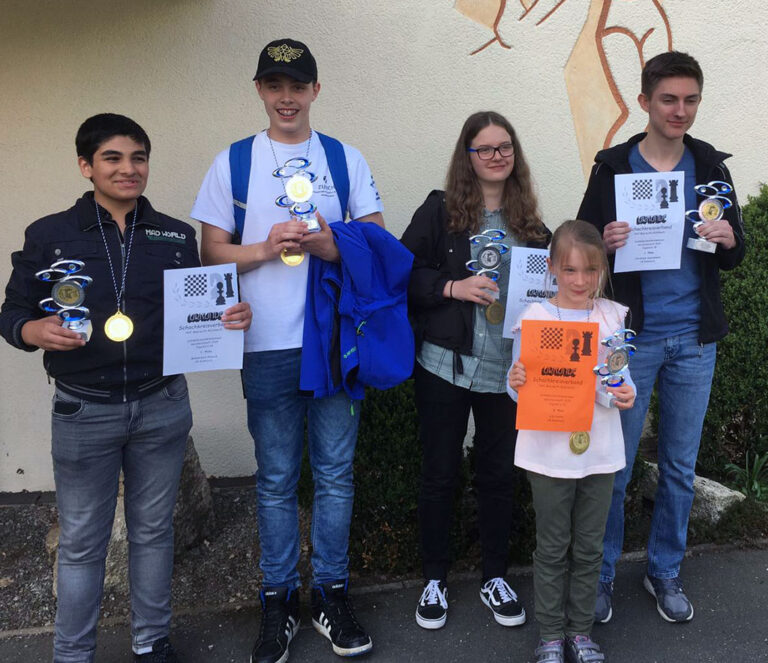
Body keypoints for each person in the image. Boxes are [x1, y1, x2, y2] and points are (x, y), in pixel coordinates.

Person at [0, 113, 251, 663]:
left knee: (154, 531)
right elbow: (11, 312)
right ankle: (72, 653)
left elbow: (198, 308)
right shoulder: (49, 234)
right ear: (86, 166)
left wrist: (230, 315)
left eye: (138, 157)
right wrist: (32, 331)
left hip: (162, 403)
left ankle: (151, 640)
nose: (128, 169)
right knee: (82, 540)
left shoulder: (176, 236)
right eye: (112, 158)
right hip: (82, 409)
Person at [190, 39, 384, 663]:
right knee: (275, 480)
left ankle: (330, 593)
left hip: (333, 343)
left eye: (298, 85)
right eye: (275, 85)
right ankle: (278, 600)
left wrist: (331, 245)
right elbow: (210, 251)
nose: (287, 97)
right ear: (259, 90)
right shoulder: (234, 161)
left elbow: (376, 240)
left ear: (315, 91)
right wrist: (265, 249)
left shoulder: (344, 159)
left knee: (335, 475)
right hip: (266, 344)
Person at [577, 51, 745, 624]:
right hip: (631, 341)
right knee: (614, 466)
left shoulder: (710, 165)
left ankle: (664, 569)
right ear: (644, 101)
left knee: (678, 467)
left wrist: (729, 238)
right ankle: (601, 573)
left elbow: (735, 252)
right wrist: (603, 242)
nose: (681, 110)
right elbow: (578, 250)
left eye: (691, 99)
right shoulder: (613, 168)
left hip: (695, 341)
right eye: (669, 99)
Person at [400, 111, 550, 631]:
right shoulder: (439, 212)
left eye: (504, 147)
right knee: (440, 473)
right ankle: (435, 579)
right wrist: (451, 287)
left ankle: (494, 577)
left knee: (498, 475)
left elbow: (554, 288)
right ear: (467, 157)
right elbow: (402, 272)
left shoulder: (531, 224)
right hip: (446, 363)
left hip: (507, 371)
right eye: (484, 148)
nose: (496, 156)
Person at [507, 219, 636, 663]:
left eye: (590, 270)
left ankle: (580, 632)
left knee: (589, 547)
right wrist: (515, 381)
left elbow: (619, 380)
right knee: (551, 546)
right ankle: (549, 635)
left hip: (599, 451)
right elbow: (518, 388)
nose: (580, 281)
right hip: (547, 454)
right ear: (552, 269)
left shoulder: (612, 317)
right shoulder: (535, 318)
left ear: (602, 269)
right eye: (570, 270)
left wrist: (622, 393)